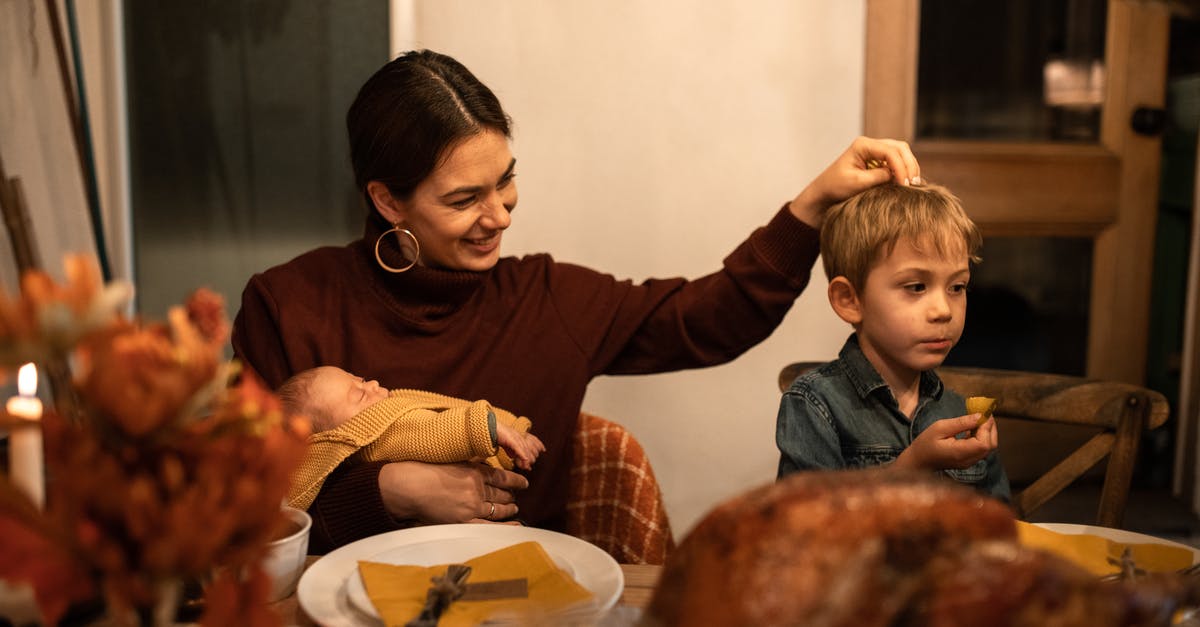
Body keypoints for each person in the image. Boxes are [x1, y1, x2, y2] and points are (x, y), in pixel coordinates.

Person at [232, 48, 926, 553]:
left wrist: (813, 205)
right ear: (387, 200)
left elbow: (714, 320)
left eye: (505, 182)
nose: (500, 215)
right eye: (464, 199)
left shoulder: (546, 299)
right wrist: (392, 490)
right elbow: (244, 518)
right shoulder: (287, 306)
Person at [774, 182, 1010, 500]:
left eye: (957, 287)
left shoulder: (958, 412)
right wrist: (909, 469)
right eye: (915, 287)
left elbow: (1002, 525)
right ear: (850, 300)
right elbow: (803, 530)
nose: (943, 310)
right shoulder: (816, 404)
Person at [277, 365, 545, 511]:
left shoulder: (384, 412)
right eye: (358, 394)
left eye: (359, 379)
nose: (370, 385)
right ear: (335, 434)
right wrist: (491, 429)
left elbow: (443, 410)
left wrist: (512, 429)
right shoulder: (375, 435)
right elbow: (434, 430)